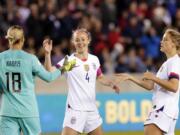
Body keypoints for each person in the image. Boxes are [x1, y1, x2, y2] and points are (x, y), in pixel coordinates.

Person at [43, 28, 120, 135]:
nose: (80, 43)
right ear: (73, 42)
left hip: (91, 109)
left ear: (88, 40)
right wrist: (47, 54)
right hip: (75, 109)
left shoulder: (94, 60)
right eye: (77, 40)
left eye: (83, 39)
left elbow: (100, 77)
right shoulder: (70, 61)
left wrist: (111, 84)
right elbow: (50, 72)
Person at [0, 25, 75, 135]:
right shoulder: (30, 59)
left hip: (7, 111)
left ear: (8, 39)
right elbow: (49, 77)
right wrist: (64, 67)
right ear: (23, 39)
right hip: (28, 111)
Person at [116, 28, 180, 135]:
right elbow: (151, 86)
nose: (161, 42)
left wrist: (154, 77)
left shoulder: (174, 62)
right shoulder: (168, 63)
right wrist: (131, 77)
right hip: (167, 110)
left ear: (173, 44)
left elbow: (174, 86)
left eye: (165, 39)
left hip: (163, 109)